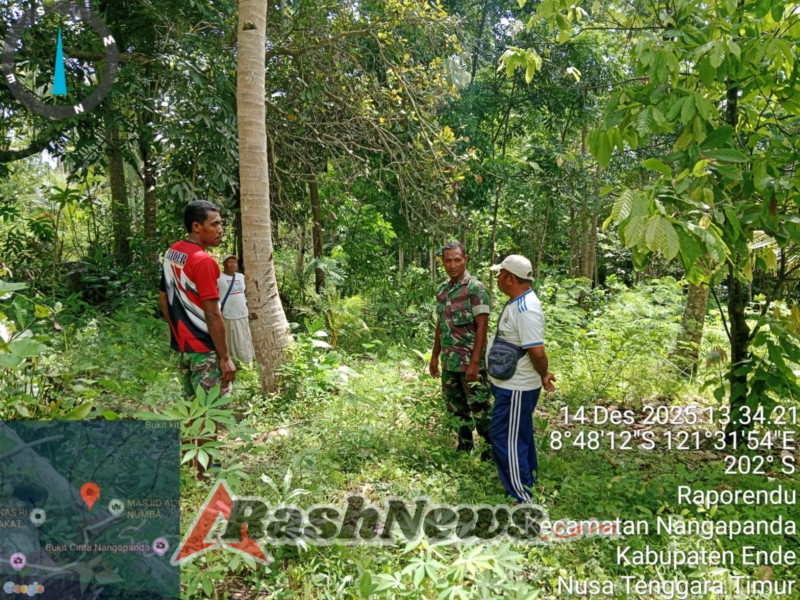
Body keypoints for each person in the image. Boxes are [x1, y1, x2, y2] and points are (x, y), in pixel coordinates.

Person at [487, 254, 556, 503]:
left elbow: (537, 352)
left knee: (505, 437)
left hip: (517, 388)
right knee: (519, 435)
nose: (498, 278)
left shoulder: (526, 310)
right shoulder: (516, 303)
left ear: (509, 278)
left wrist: (544, 374)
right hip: (509, 384)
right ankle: (529, 480)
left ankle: (522, 495)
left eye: (500, 274)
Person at [159, 201, 236, 398]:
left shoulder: (173, 253)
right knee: (215, 409)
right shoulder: (203, 261)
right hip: (205, 350)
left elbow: (163, 299)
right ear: (196, 227)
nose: (221, 230)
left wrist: (179, 332)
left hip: (184, 347)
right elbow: (212, 314)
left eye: (220, 223)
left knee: (192, 407)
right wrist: (225, 357)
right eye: (215, 224)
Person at [429, 241, 492, 454]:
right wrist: (435, 356)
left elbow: (482, 327)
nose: (453, 265)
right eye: (448, 260)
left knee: (481, 409)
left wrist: (475, 363)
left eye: (457, 260)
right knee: (455, 408)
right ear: (442, 262)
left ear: (465, 259)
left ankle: (491, 451)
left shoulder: (476, 288)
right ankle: (464, 447)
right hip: (450, 362)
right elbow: (441, 325)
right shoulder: (442, 290)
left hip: (471, 364)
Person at [217, 253, 255, 364]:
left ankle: (248, 359)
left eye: (234, 262)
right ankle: (234, 361)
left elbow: (245, 292)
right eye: (229, 262)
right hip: (228, 314)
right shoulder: (218, 278)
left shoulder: (241, 277)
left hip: (242, 312)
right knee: (232, 339)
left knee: (245, 337)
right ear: (224, 264)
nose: (233, 264)